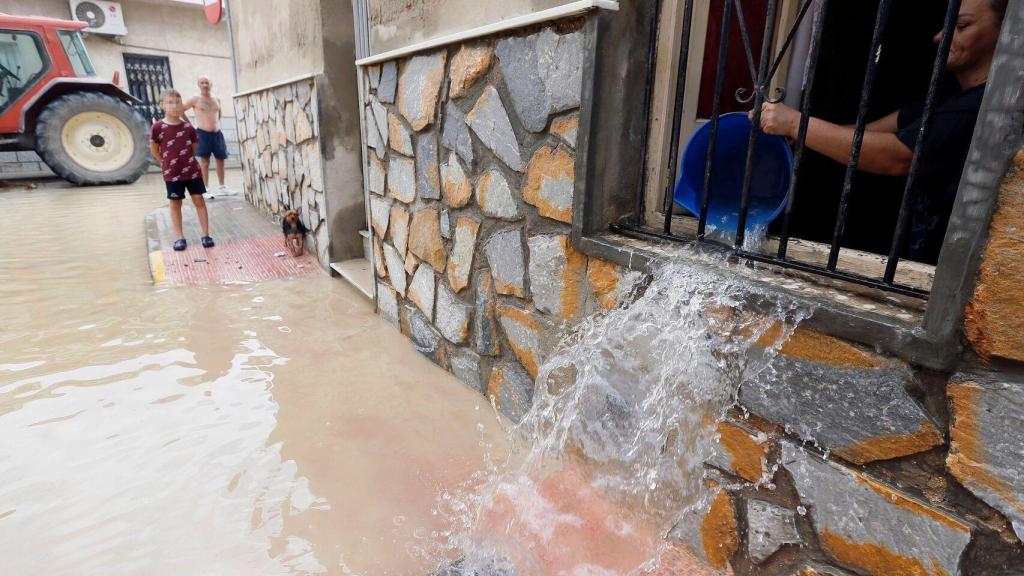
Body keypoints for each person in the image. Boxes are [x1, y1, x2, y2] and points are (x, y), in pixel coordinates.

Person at [753, 0, 1006, 263]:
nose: (939, 37)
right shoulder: (950, 94)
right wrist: (800, 134)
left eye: (961, 26)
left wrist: (797, 124)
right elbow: (872, 132)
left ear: (1006, 31)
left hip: (948, 261)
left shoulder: (979, 107)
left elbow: (897, 156)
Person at [151, 89, 215, 252]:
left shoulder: (188, 128)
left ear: (182, 105)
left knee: (199, 200)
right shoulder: (158, 127)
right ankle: (179, 238)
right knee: (175, 203)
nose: (174, 106)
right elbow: (154, 149)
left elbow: (193, 148)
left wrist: (185, 161)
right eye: (170, 102)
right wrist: (165, 163)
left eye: (178, 102)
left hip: (192, 172)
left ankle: (206, 235)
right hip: (172, 174)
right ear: (162, 105)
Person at [183, 76, 234, 196]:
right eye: (202, 83)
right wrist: (190, 125)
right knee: (204, 162)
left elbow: (219, 114)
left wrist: (215, 125)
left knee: (220, 160)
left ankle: (222, 187)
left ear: (211, 84)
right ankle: (205, 188)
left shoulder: (217, 99)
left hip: (217, 134)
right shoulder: (195, 99)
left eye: (207, 82)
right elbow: (181, 110)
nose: (205, 85)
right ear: (198, 85)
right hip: (202, 134)